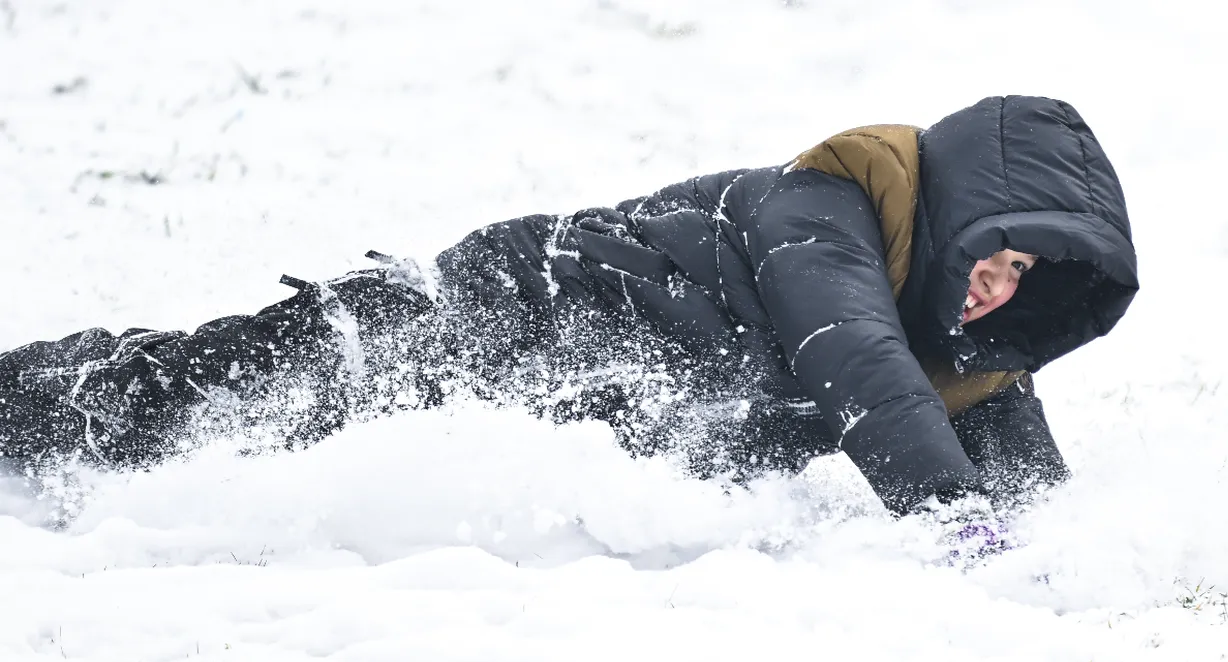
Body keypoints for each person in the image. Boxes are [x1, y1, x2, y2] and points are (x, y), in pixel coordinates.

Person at [0, 95, 1138, 515]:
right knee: (189, 406)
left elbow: (1029, 494)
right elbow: (853, 360)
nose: (995, 290)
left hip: (547, 410)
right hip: (494, 314)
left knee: (253, 475)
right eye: (999, 255)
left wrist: (1050, 557)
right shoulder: (820, 209)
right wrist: (948, 519)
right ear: (960, 216)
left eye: (1027, 286)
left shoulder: (958, 350)